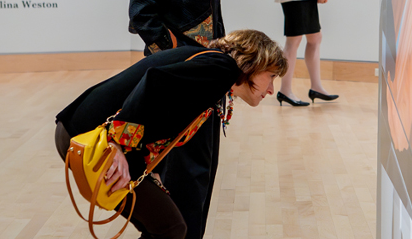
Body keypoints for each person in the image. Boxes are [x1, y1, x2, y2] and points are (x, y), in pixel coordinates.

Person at [55, 30, 288, 239]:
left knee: (166, 226)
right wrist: (117, 142)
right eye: (271, 76)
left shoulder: (212, 68)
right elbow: (153, 83)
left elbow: (162, 114)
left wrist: (152, 170)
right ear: (255, 63)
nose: (271, 89)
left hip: (82, 132)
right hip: (90, 137)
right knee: (170, 228)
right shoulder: (221, 68)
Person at [127, 0, 248, 238]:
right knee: (178, 190)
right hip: (180, 90)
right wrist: (181, 69)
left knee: (196, 187)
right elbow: (142, 15)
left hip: (203, 88)